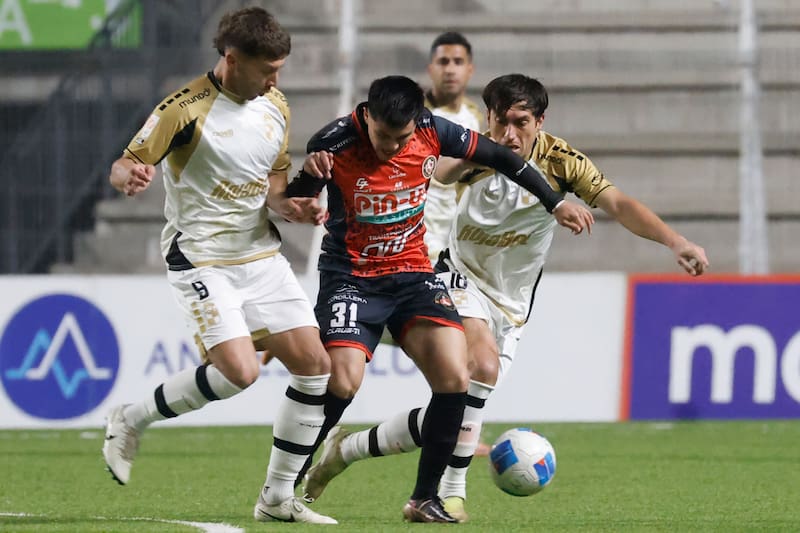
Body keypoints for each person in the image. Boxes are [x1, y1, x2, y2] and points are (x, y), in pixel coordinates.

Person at [301, 74, 710, 522]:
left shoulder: (563, 163)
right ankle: (449, 493)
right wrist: (462, 159)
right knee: (481, 368)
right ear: (488, 118)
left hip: (511, 305)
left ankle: (348, 448)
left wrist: (675, 242)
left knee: (456, 406)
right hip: (457, 277)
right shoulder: (478, 153)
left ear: (540, 121)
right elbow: (435, 170)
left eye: (522, 123)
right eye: (501, 123)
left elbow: (619, 204)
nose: (510, 135)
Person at [284, 75, 593, 523]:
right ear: (367, 117)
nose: (392, 147)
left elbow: (503, 158)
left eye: (402, 137)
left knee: (457, 379)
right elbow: (296, 199)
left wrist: (553, 203)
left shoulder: (435, 130)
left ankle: (424, 498)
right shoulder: (333, 141)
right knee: (344, 381)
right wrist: (305, 203)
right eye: (384, 137)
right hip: (353, 276)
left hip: (411, 274)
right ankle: (284, 482)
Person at [102, 7, 337, 525]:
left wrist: (294, 207)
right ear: (231, 59)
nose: (276, 80)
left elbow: (273, 190)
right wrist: (130, 177)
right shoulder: (183, 110)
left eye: (280, 69)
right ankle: (131, 418)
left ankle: (276, 499)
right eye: (267, 70)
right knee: (240, 372)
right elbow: (125, 162)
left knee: (317, 367)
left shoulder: (275, 104)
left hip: (259, 253)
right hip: (202, 256)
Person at [423, 31, 484, 263]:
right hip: (421, 236)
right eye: (443, 62)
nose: (449, 69)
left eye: (457, 62)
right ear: (431, 69)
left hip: (460, 236)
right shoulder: (413, 116)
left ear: (470, 70)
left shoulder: (474, 114)